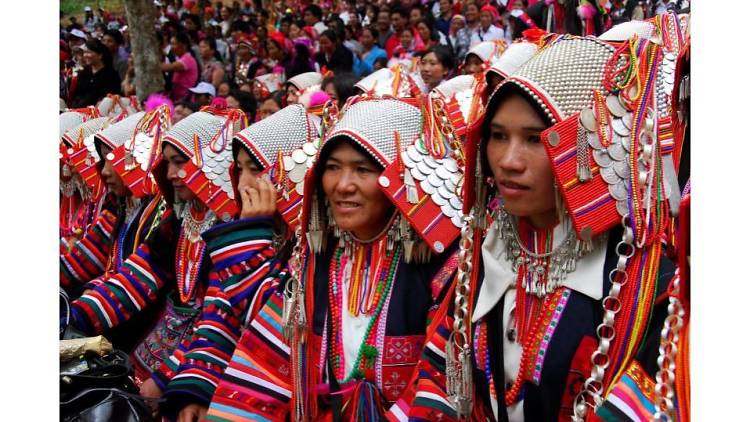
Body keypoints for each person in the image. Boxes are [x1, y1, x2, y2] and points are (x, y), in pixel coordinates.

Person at [395, 33, 683, 421]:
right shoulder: (480, 256)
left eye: (534, 139)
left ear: (587, 148)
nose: (509, 161)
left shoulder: (645, 286)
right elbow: (442, 379)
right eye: (498, 136)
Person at [203, 96, 461, 421]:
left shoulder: (442, 264)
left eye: (363, 169)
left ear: (400, 178)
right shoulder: (316, 256)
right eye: (333, 168)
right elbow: (271, 356)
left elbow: (439, 380)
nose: (342, 185)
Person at [146, 104, 322, 420]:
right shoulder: (227, 226)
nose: (242, 184)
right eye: (238, 169)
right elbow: (218, 319)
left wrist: (249, 237)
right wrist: (194, 389)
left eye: (256, 169)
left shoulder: (311, 246)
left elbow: (273, 329)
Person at [67, 108, 248, 406]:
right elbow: (137, 276)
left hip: (205, 357)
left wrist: (164, 379)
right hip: (164, 341)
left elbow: (218, 316)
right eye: (168, 163)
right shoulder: (179, 217)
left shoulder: (230, 228)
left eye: (182, 162)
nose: (173, 174)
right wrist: (77, 316)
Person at [61, 108, 172, 350]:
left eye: (112, 159)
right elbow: (85, 258)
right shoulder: (122, 204)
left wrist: (75, 314)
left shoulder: (162, 214)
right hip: (115, 311)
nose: (103, 171)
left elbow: (137, 281)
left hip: (139, 327)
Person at [70, 39, 122, 107]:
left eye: (89, 52)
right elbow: (78, 96)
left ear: (100, 55)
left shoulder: (111, 75)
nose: (85, 55)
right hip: (80, 112)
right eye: (85, 52)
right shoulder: (83, 74)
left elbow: (110, 98)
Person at [160, 32, 199, 102]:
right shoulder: (179, 58)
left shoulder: (188, 59)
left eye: (174, 44)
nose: (171, 47)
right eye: (171, 44)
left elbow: (170, 67)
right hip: (175, 97)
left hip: (184, 99)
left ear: (184, 45)